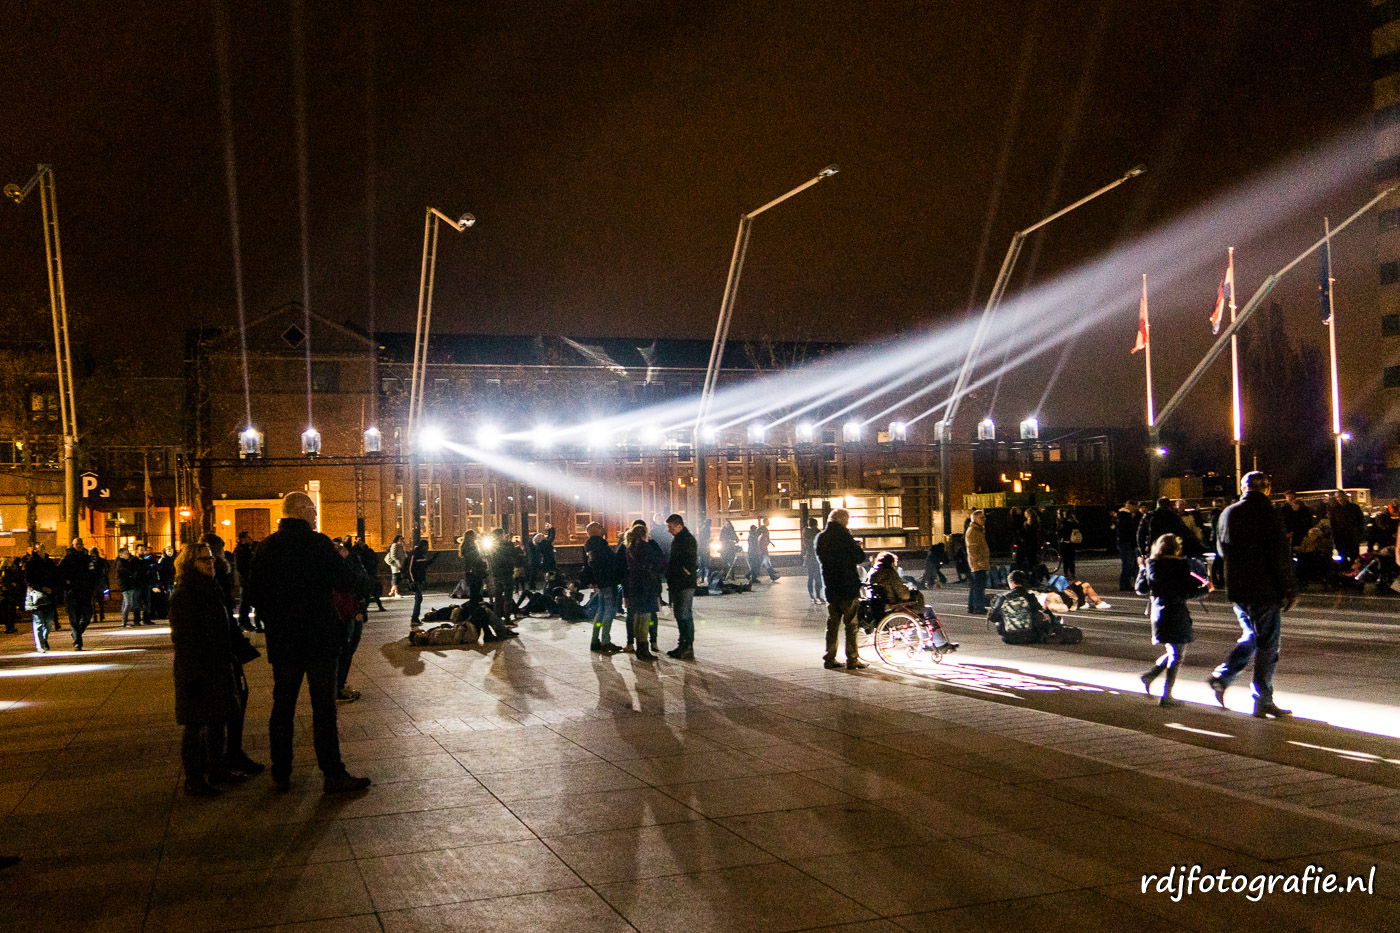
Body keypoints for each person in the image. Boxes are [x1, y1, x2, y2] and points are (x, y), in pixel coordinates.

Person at [246, 491, 371, 794]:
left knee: (283, 706)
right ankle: (332, 772)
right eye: (313, 509)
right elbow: (347, 582)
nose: (315, 515)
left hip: (284, 640)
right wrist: (346, 560)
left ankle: (281, 770)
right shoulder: (318, 544)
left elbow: (254, 593)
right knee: (323, 708)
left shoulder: (266, 547)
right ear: (301, 510)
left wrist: (274, 620)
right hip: (319, 638)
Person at [1208, 471, 1296, 719]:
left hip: (1238, 587)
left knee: (1251, 635)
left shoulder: (1228, 513)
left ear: (1243, 487)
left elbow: (1221, 550)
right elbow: (1279, 555)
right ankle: (1262, 698)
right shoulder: (1269, 513)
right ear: (1267, 489)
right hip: (1264, 588)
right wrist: (1289, 588)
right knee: (1268, 643)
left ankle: (1222, 677)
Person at [169, 541, 246, 797]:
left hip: (217, 663)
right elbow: (185, 637)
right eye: (204, 559)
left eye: (211, 558)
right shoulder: (186, 593)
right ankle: (193, 779)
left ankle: (217, 768)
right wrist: (194, 672)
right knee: (195, 725)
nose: (211, 563)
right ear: (190, 564)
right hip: (198, 668)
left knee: (217, 719)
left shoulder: (210, 587)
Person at [1136, 533, 1210, 707]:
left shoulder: (1151, 564)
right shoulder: (1180, 566)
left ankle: (1150, 677)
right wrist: (1205, 589)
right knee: (1177, 656)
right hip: (1176, 613)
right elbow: (1186, 592)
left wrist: (1141, 569)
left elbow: (1141, 589)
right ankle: (1166, 695)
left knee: (1174, 652)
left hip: (1158, 613)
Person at [868, 552, 957, 650]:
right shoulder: (890, 574)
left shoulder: (874, 575)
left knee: (921, 614)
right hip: (896, 609)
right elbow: (904, 595)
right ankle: (940, 643)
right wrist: (909, 590)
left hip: (883, 609)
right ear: (891, 563)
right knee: (927, 611)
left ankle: (928, 643)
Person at [816, 508, 867, 670]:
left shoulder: (821, 537)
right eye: (847, 519)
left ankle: (829, 658)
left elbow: (822, 559)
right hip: (847, 586)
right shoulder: (845, 536)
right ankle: (852, 659)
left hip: (831, 586)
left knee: (832, 625)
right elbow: (859, 557)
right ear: (843, 520)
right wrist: (857, 546)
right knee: (851, 625)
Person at [990, 569, 1081, 645]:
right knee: (1037, 614)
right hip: (1031, 636)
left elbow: (993, 618)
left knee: (1000, 618)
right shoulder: (1030, 596)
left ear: (1012, 582)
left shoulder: (1002, 597)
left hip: (1009, 638)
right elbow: (1039, 610)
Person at [335, 539, 373, 702]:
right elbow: (357, 582)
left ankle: (339, 685)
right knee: (345, 650)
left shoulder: (350, 562)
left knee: (348, 650)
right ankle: (338, 687)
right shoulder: (341, 566)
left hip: (353, 609)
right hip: (346, 612)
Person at [623, 524, 665, 661]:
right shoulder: (646, 547)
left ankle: (639, 647)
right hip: (647, 585)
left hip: (635, 586)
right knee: (645, 618)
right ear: (644, 534)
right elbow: (659, 562)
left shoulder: (630, 548)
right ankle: (643, 649)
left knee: (638, 617)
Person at [581, 522, 623, 652]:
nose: (603, 529)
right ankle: (605, 641)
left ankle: (595, 640)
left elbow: (589, 566)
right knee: (609, 611)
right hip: (608, 581)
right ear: (596, 530)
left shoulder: (589, 546)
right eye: (600, 527)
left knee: (601, 611)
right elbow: (609, 562)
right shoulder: (600, 545)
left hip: (600, 583)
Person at [664, 513, 697, 659]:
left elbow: (688, 561)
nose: (669, 530)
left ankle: (687, 646)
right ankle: (682, 644)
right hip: (677, 582)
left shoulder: (687, 539)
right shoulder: (679, 539)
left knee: (684, 614)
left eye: (670, 527)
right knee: (679, 614)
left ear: (679, 526)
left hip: (684, 582)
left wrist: (684, 571)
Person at [57, 537, 95, 651]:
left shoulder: (87, 557)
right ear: (73, 545)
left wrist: (92, 586)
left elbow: (92, 572)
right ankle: (78, 642)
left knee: (87, 616)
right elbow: (59, 572)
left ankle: (76, 633)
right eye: (77, 543)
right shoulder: (67, 558)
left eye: (80, 543)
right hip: (72, 592)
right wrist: (66, 584)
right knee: (74, 618)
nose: (79, 545)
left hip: (85, 591)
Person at [1137, 497, 1203, 560]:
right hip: (1171, 550)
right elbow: (1184, 532)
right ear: (1169, 505)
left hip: (1154, 548)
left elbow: (1140, 535)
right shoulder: (1174, 516)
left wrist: (1142, 551)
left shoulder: (1149, 516)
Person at [25, 548, 59, 653]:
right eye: (40, 548)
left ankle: (43, 640)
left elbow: (56, 576)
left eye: (43, 548)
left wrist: (54, 588)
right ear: (36, 550)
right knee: (38, 622)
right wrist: (42, 588)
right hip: (36, 597)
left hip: (49, 596)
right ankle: (40, 645)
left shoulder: (49, 562)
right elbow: (28, 580)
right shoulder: (31, 563)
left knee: (48, 623)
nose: (42, 549)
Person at [1326, 490, 1365, 567]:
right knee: (1342, 555)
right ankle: (1344, 570)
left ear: (1345, 497)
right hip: (1340, 537)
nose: (1340, 498)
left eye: (1341, 496)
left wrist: (1359, 533)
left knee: (1354, 555)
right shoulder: (1333, 509)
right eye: (1338, 497)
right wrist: (1334, 535)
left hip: (1352, 536)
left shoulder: (1354, 507)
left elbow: (1360, 520)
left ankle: (1354, 570)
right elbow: (1332, 524)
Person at [406, 539, 436, 628]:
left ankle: (415, 618)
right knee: (418, 598)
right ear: (423, 546)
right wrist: (412, 581)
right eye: (427, 547)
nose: (427, 549)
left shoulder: (421, 555)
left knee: (418, 598)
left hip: (419, 580)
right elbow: (410, 569)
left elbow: (425, 565)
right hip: (415, 580)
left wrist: (433, 559)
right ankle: (414, 619)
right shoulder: (414, 554)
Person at [966, 509, 990, 614]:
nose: (984, 519)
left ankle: (972, 606)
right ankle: (978, 607)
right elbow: (972, 548)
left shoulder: (978, 530)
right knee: (979, 587)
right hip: (978, 563)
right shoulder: (973, 531)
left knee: (975, 586)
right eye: (981, 518)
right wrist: (978, 560)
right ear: (975, 519)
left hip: (979, 562)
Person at [352, 536, 385, 611]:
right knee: (370, 591)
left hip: (367, 574)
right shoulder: (365, 551)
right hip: (368, 574)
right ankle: (372, 606)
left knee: (369, 591)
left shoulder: (358, 552)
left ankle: (367, 607)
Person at [1115, 500, 1142, 592]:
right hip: (1126, 542)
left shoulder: (1137, 515)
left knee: (1133, 565)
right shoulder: (1123, 515)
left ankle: (1132, 583)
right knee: (1127, 564)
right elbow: (1125, 528)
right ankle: (1124, 584)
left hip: (1132, 542)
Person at [233, 531, 257, 628]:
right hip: (246, 578)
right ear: (243, 539)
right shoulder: (243, 550)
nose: (250, 539)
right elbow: (243, 565)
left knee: (246, 600)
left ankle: (244, 621)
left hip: (246, 578)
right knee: (246, 601)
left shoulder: (243, 549)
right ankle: (244, 621)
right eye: (248, 537)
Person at [457, 529, 487, 603]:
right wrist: (482, 562)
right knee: (477, 586)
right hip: (475, 569)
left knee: (473, 587)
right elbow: (475, 557)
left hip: (469, 569)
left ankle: (474, 602)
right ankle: (476, 602)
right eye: (474, 535)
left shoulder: (465, 546)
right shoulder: (472, 546)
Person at [802, 517, 824, 604]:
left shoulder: (805, 532)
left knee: (810, 577)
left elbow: (806, 545)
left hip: (809, 557)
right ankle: (818, 595)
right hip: (817, 558)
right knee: (818, 577)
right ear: (816, 524)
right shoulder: (818, 533)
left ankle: (812, 596)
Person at [1057, 508, 1081, 578]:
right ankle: (1072, 573)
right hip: (1072, 542)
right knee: (1071, 559)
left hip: (1064, 542)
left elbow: (1060, 531)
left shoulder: (1063, 522)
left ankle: (1066, 573)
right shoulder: (1074, 522)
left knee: (1065, 559)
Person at [90, 545, 110, 623]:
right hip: (100, 582)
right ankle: (101, 614)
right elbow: (107, 569)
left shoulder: (89, 560)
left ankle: (95, 615)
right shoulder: (102, 560)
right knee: (100, 600)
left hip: (93, 582)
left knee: (93, 601)